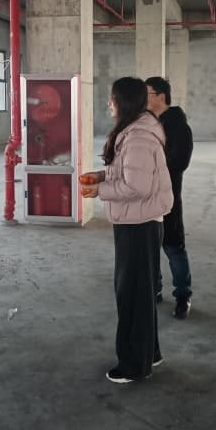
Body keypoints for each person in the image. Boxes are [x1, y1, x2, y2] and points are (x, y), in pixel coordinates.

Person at [80, 77, 173, 384]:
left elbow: (137, 186)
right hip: (137, 221)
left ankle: (134, 365)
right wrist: (101, 175)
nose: (109, 103)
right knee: (140, 293)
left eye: (113, 98)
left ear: (124, 102)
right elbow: (128, 171)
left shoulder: (138, 138)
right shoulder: (134, 131)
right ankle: (150, 353)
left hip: (139, 224)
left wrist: (100, 191)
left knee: (132, 295)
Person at [144, 76, 194, 319]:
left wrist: (151, 166)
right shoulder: (149, 123)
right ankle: (154, 289)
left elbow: (180, 162)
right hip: (146, 196)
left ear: (161, 96)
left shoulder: (178, 126)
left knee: (173, 247)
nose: (143, 99)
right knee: (151, 246)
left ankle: (183, 296)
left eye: (147, 94)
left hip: (168, 195)